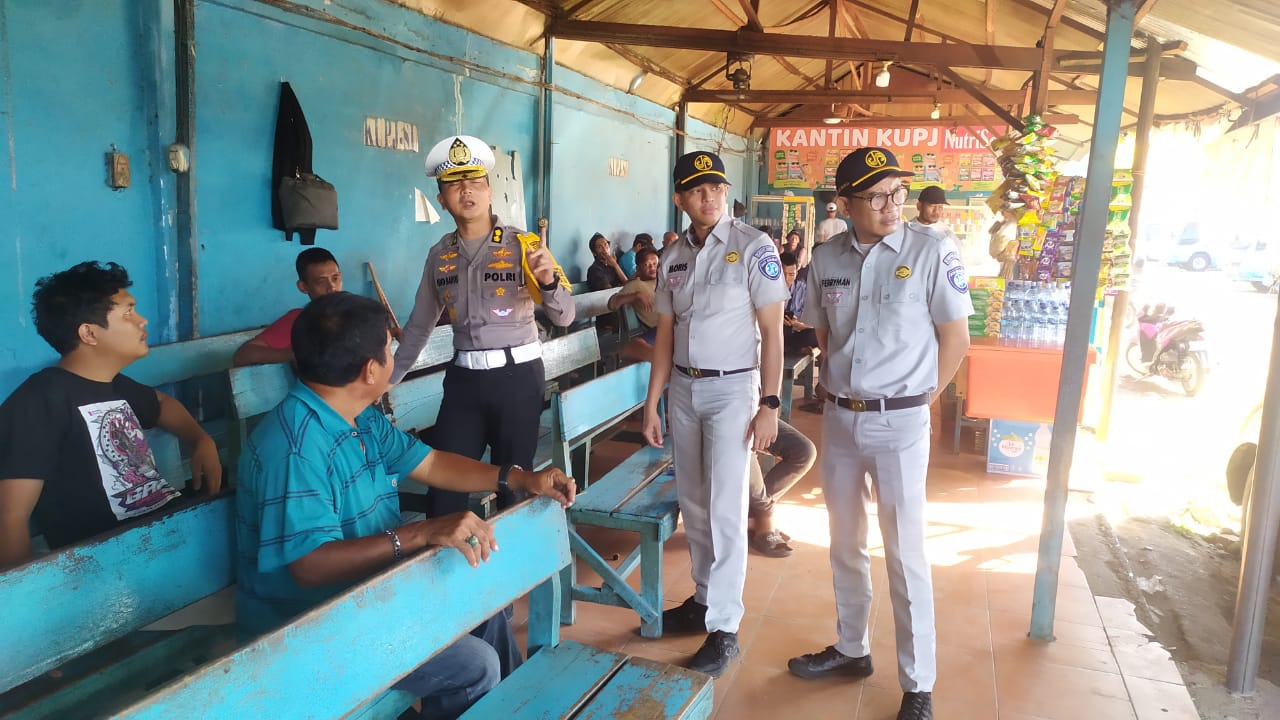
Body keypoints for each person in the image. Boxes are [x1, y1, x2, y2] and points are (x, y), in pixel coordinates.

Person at [235, 291, 576, 719]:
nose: (394, 356)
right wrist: (421, 533)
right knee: (474, 666)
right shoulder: (295, 448)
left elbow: (431, 463)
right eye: (388, 346)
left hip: (371, 594)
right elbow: (309, 566)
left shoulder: (357, 415)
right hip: (309, 630)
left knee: (483, 605)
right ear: (370, 369)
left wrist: (520, 477)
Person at [787, 148, 972, 720]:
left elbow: (956, 338)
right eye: (877, 195)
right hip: (841, 417)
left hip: (902, 422)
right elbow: (824, 332)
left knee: (904, 551)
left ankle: (918, 684)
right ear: (845, 205)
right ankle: (852, 648)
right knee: (844, 540)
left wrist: (919, 402)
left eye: (898, 192)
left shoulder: (932, 250)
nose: (893, 204)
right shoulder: (826, 257)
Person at [642, 150, 789, 678]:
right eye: (698, 189)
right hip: (684, 388)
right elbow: (665, 333)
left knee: (726, 507)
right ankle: (704, 597)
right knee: (695, 501)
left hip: (733, 390)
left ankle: (724, 627)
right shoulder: (674, 256)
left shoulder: (753, 246)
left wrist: (769, 403)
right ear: (680, 198)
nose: (710, 197)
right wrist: (653, 401)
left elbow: (772, 331)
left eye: (717, 188)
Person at [392, 135, 575, 517]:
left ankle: (515, 556)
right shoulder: (439, 255)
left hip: (517, 380)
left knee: (515, 488)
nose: (467, 191)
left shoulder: (525, 246)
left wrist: (548, 282)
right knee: (443, 491)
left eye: (475, 182)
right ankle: (445, 556)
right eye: (455, 185)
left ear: (490, 192)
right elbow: (419, 327)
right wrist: (386, 381)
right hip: (463, 384)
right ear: (442, 199)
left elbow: (564, 317)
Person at [0, 262, 222, 569]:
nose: (142, 320)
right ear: (89, 333)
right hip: (109, 564)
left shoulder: (113, 383)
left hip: (168, 536)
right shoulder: (39, 399)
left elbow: (161, 404)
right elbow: (10, 516)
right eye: (128, 313)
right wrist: (29, 594)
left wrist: (200, 439)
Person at [232, 248, 343, 366]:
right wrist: (296, 354)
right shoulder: (300, 320)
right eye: (321, 282)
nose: (332, 287)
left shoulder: (354, 313)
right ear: (303, 287)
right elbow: (242, 355)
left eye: (335, 278)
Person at [747, 418, 816, 557]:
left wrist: (768, 411)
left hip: (754, 410)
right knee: (745, 449)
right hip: (727, 415)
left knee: (803, 452)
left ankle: (751, 517)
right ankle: (763, 518)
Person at [606, 246, 660, 363]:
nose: (652, 268)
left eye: (655, 264)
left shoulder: (663, 281)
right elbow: (612, 304)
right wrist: (636, 296)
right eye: (647, 265)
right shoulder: (635, 285)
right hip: (658, 328)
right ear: (638, 268)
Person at [780, 251, 818, 354]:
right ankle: (795, 350)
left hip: (794, 332)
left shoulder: (802, 288)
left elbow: (814, 323)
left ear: (796, 273)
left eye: (791, 274)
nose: (786, 279)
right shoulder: (768, 288)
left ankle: (790, 349)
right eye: (782, 274)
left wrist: (798, 324)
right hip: (773, 332)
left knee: (815, 334)